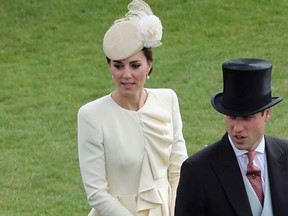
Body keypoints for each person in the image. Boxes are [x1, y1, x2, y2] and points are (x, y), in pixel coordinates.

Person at [77, 0, 188, 215]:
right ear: (109, 67)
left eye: (135, 65)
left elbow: (179, 170)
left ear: (149, 65)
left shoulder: (168, 99)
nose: (126, 75)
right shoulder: (91, 115)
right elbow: (96, 193)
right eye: (118, 66)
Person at [175, 58, 288, 216]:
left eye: (247, 118)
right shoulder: (197, 171)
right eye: (231, 116)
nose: (237, 127)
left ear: (267, 114)